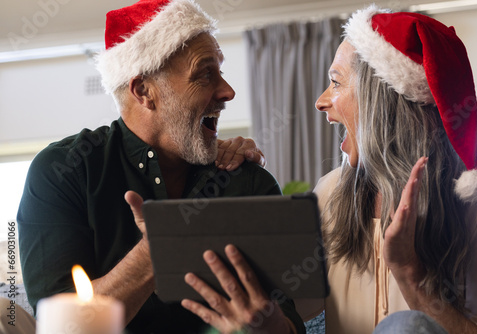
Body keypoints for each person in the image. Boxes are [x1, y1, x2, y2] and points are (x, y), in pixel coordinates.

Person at [188, 5, 477, 334]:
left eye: (336, 83)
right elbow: (291, 312)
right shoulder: (329, 193)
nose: (321, 101)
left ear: (381, 102)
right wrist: (233, 178)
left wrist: (411, 275)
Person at [16, 0, 304, 333]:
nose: (228, 91)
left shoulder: (247, 180)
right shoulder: (62, 172)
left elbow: (289, 320)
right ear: (144, 91)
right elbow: (60, 326)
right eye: (205, 74)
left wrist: (269, 327)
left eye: (221, 72)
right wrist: (157, 251)